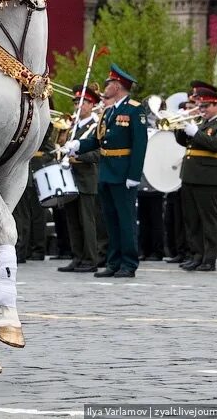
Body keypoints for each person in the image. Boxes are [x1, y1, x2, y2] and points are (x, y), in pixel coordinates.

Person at [64, 65, 148, 278]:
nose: (105, 87)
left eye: (109, 83)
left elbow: (140, 145)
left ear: (118, 86)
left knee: (125, 221)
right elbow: (98, 140)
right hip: (107, 172)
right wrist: (78, 145)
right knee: (110, 221)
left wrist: (134, 175)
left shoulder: (134, 109)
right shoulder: (109, 111)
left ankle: (128, 264)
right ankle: (113, 262)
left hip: (123, 173)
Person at [174, 85, 217, 272]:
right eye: (200, 107)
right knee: (191, 219)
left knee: (207, 219)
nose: (201, 110)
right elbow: (184, 142)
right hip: (190, 174)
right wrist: (181, 126)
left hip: (207, 177)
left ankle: (209, 258)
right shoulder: (201, 123)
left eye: (205, 107)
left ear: (216, 105)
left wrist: (196, 132)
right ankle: (196, 255)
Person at [57, 85, 104, 273]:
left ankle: (91, 258)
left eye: (83, 102)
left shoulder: (96, 125)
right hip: (70, 178)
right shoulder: (73, 126)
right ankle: (77, 256)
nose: (78, 106)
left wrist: (80, 158)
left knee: (87, 221)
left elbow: (100, 151)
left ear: (92, 104)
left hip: (87, 177)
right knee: (73, 220)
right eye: (76, 102)